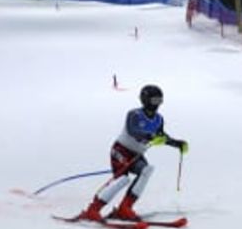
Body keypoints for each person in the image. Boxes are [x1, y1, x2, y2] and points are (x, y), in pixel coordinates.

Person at [78, 84, 188, 221]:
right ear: (145, 100)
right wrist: (150, 136)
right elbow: (133, 131)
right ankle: (93, 209)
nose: (157, 105)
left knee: (147, 171)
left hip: (136, 154)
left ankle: (125, 208)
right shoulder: (134, 114)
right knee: (122, 179)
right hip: (121, 150)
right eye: (154, 101)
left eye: (159, 101)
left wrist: (177, 143)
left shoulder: (159, 119)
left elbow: (161, 136)